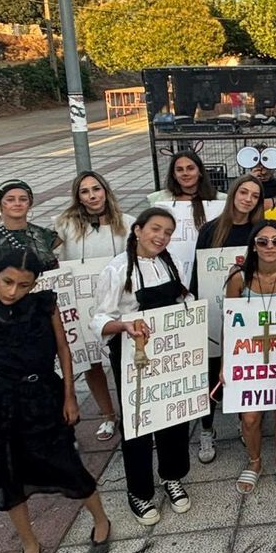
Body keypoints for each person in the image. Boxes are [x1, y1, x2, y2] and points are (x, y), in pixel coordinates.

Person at [0, 249, 111, 553]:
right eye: (7, 282)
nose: (12, 291)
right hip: (3, 401)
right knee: (8, 474)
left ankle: (100, 520)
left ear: (33, 285)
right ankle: (29, 542)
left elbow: (64, 349)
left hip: (45, 393)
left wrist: (70, 395)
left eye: (23, 285)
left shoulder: (44, 305)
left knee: (66, 462)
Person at [92, 208, 193, 525]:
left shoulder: (168, 263)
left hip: (169, 354)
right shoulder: (118, 269)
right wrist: (124, 327)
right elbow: (99, 318)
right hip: (134, 354)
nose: (161, 237)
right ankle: (139, 491)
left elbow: (178, 301)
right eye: (155, 229)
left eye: (167, 232)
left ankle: (171, 475)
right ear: (137, 230)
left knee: (173, 416)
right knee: (138, 423)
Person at [223, 219, 276, 492]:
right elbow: (230, 323)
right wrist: (226, 363)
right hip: (249, 357)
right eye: (262, 241)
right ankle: (255, 461)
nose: (270, 246)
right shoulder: (239, 277)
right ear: (254, 247)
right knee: (249, 417)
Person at [190, 175, 265, 464]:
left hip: (247, 315)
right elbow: (198, 275)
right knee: (210, 374)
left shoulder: (258, 232)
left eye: (255, 195)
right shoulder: (210, 230)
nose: (247, 199)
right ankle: (207, 429)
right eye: (243, 192)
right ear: (233, 194)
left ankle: (244, 422)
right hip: (212, 311)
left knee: (242, 370)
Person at [55, 171, 135, 442]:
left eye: (96, 189)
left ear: (105, 190)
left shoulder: (127, 223)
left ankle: (131, 412)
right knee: (92, 361)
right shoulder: (65, 225)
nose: (92, 196)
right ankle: (107, 415)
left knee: (124, 359)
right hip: (83, 302)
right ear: (78, 197)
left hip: (119, 302)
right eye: (85, 191)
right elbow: (46, 255)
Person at [0, 180, 62, 298]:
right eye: (10, 200)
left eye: (23, 199)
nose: (17, 203)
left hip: (47, 306)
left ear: (30, 203)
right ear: (0, 205)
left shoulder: (45, 235)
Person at [147, 149, 225, 229]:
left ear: (200, 172)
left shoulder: (221, 199)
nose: (185, 173)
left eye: (190, 168)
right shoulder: (159, 199)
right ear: (174, 175)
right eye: (179, 170)